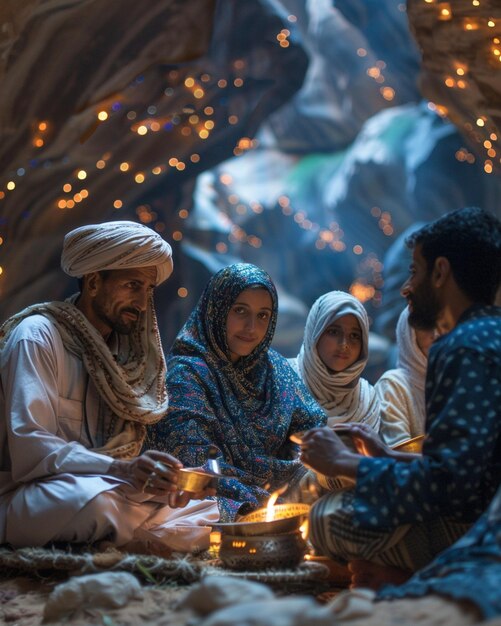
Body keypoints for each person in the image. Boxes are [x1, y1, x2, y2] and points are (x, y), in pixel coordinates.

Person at [299, 206, 501, 587]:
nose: (407, 288)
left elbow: (449, 489)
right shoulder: (488, 335)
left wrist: (345, 463)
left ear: (440, 272)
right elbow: (471, 470)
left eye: (414, 271)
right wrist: (387, 454)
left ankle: (420, 579)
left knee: (327, 518)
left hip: (485, 534)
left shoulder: (463, 347)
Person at [0, 221, 218, 554]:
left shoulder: (124, 356)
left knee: (205, 508)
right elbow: (31, 448)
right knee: (97, 505)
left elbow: (113, 464)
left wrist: (160, 482)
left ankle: (131, 534)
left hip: (99, 485)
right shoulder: (38, 335)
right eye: (132, 285)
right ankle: (143, 536)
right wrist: (120, 469)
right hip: (28, 492)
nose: (143, 304)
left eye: (148, 290)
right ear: (93, 281)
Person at [147, 263, 326, 521]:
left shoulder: (274, 369)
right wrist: (269, 500)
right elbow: (198, 466)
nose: (252, 327)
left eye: (263, 315)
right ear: (217, 309)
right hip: (218, 501)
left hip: (286, 497)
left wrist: (304, 473)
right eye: (240, 311)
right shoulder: (187, 375)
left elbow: (311, 427)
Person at [290, 290, 380, 431]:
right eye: (333, 332)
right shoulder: (284, 379)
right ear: (314, 332)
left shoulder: (367, 398)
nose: (344, 344)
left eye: (354, 335)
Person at [376, 305, 435, 446]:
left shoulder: (456, 379)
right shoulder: (393, 385)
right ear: (409, 334)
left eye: (442, 324)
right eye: (425, 326)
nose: (436, 333)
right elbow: (397, 453)